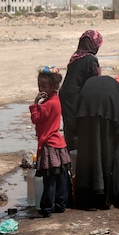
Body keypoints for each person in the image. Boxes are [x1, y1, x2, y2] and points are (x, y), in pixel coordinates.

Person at [73, 73, 119, 210]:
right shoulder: (117, 91)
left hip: (85, 110)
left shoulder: (98, 82)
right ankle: (106, 197)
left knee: (88, 150)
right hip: (107, 113)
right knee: (109, 151)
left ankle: (86, 196)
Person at [29, 66, 71, 217]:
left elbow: (35, 119)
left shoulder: (47, 104)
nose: (41, 89)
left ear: (53, 86)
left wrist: (35, 104)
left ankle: (46, 208)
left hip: (49, 145)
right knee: (60, 177)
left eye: (44, 86)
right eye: (40, 86)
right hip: (59, 144)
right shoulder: (55, 100)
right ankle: (60, 205)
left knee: (50, 180)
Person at [59, 30, 102, 151]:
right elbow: (94, 83)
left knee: (70, 126)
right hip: (76, 96)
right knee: (79, 127)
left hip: (66, 94)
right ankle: (77, 156)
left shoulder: (76, 56)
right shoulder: (90, 59)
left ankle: (69, 154)